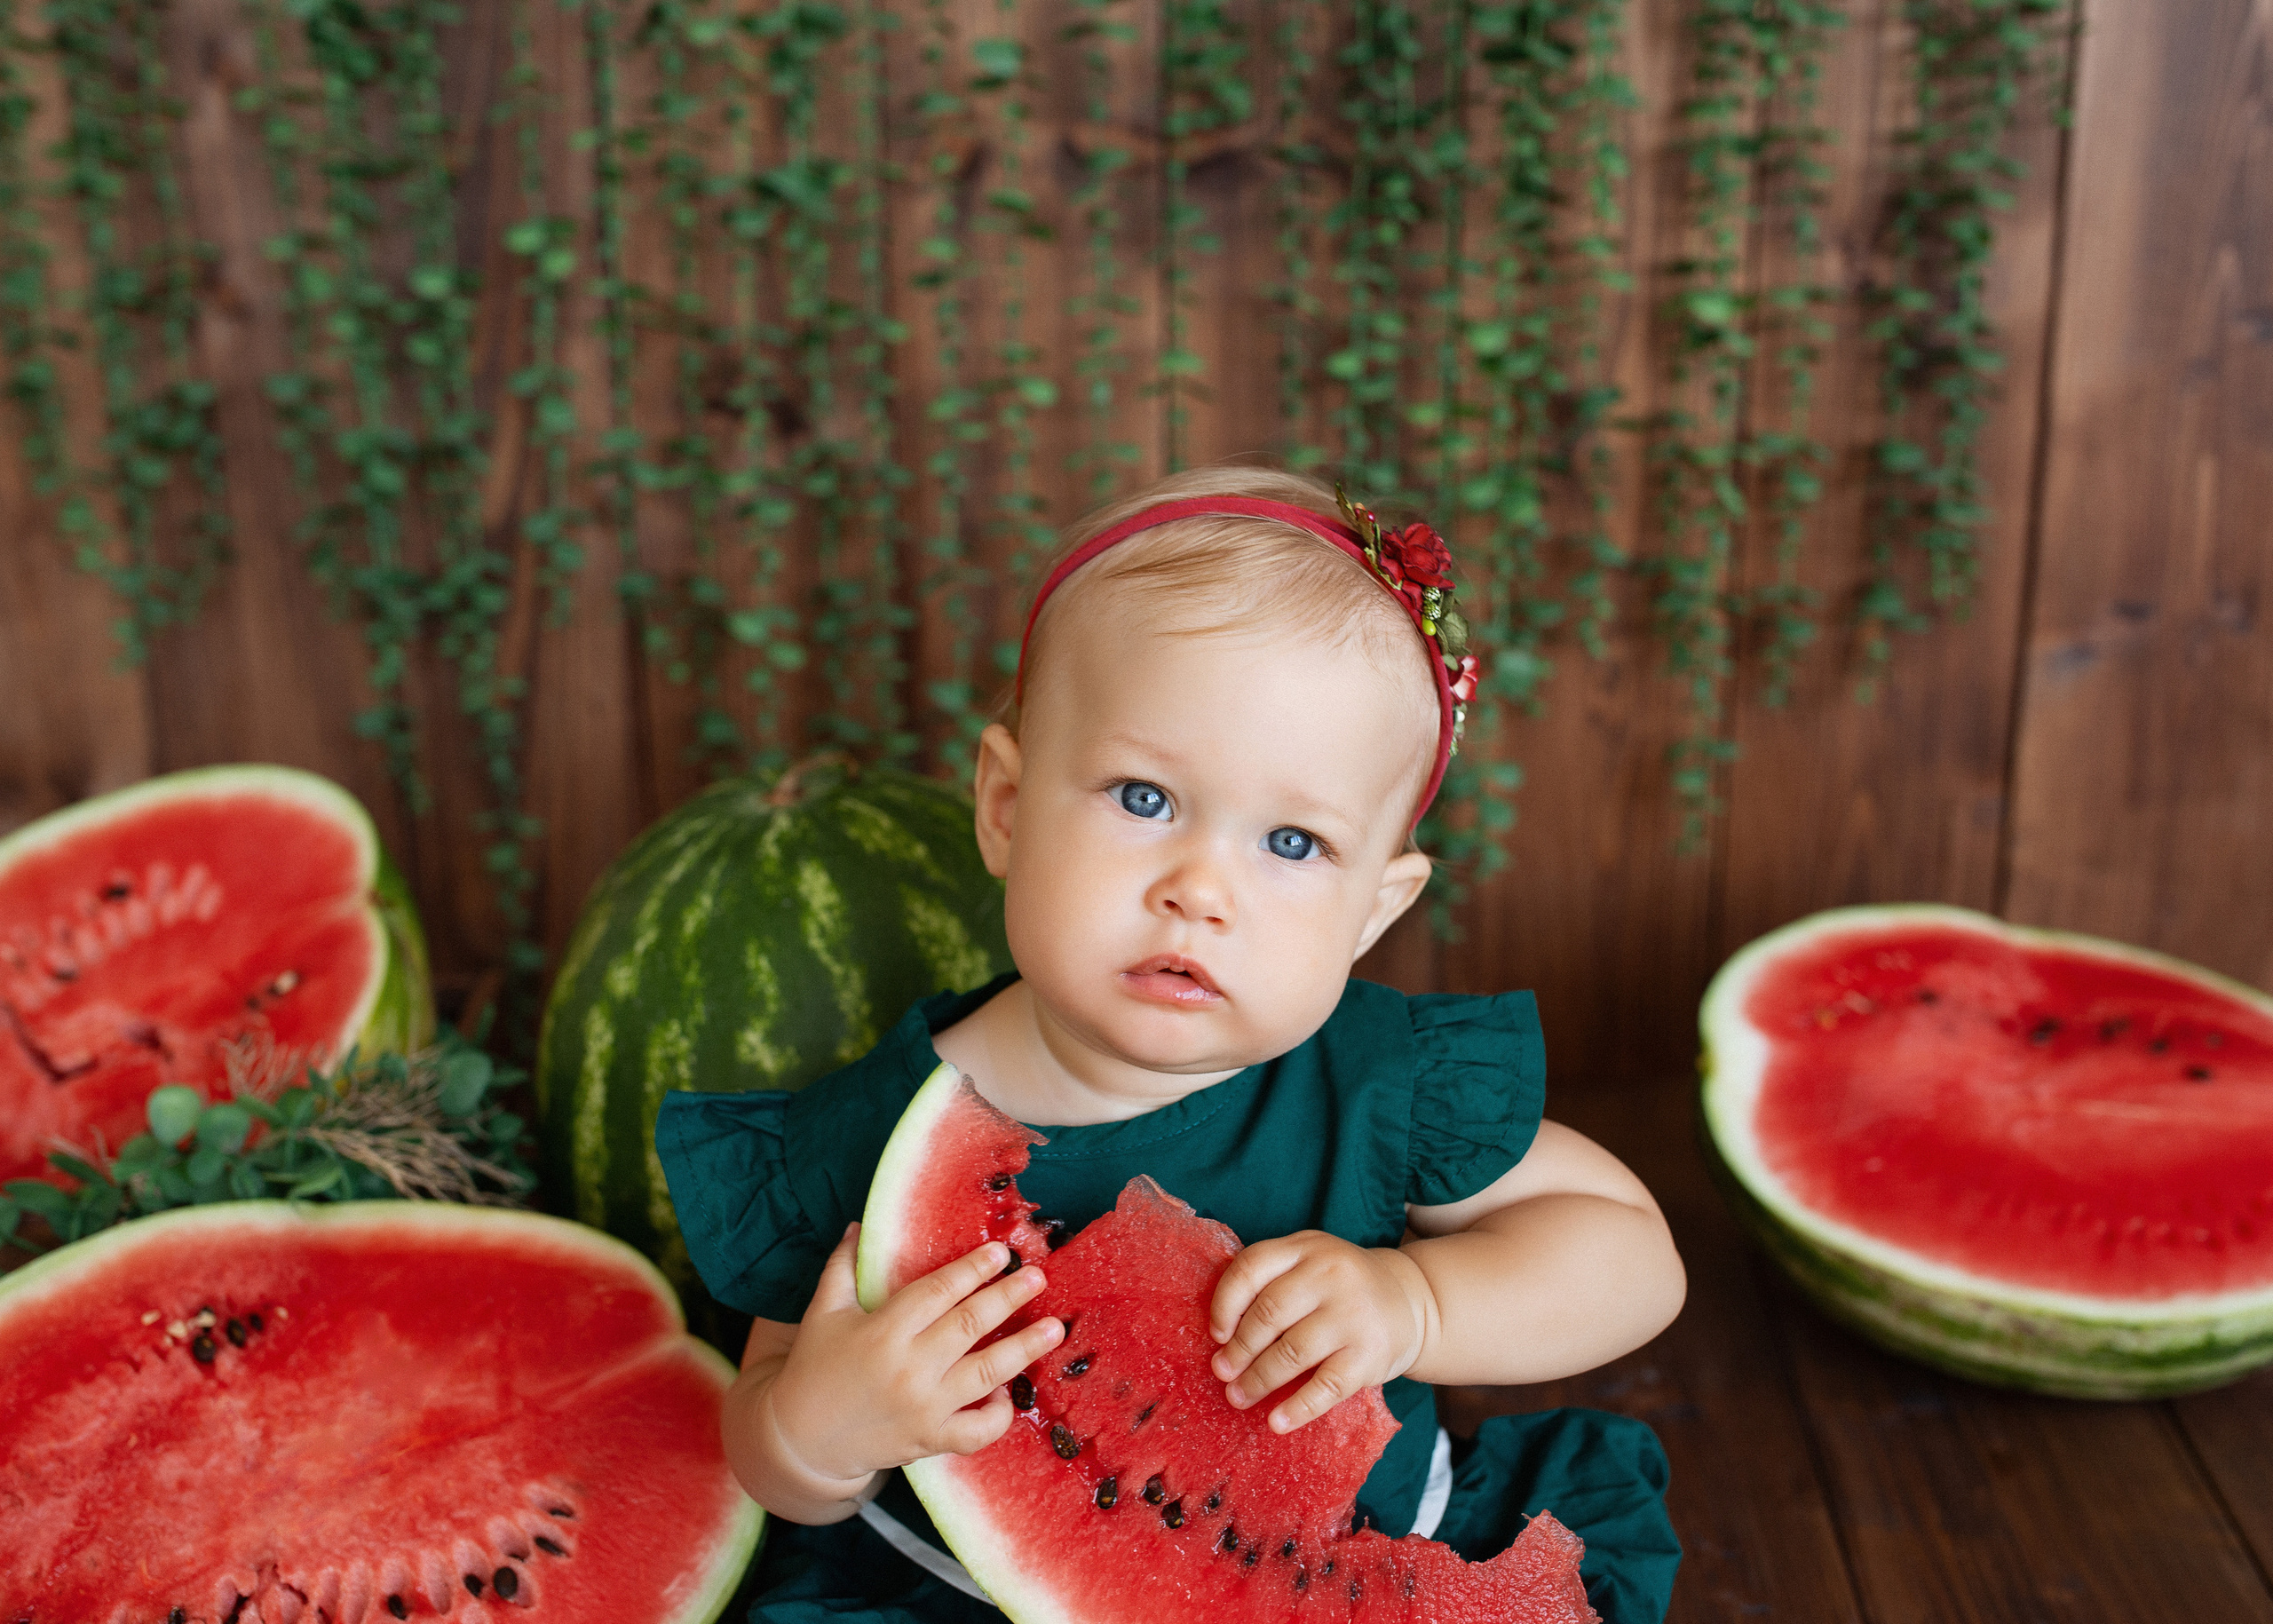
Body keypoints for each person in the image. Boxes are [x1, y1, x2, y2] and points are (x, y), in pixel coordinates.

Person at [657, 465, 1689, 1623]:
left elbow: (1630, 1255)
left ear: (1377, 910)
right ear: (1004, 807)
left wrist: (1416, 1304)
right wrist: (820, 1427)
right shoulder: (879, 1127)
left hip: (1354, 1570)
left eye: (1292, 841)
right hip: (962, 1594)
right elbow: (760, 1429)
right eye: (1144, 798)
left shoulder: (1383, 1082)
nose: (1200, 890)